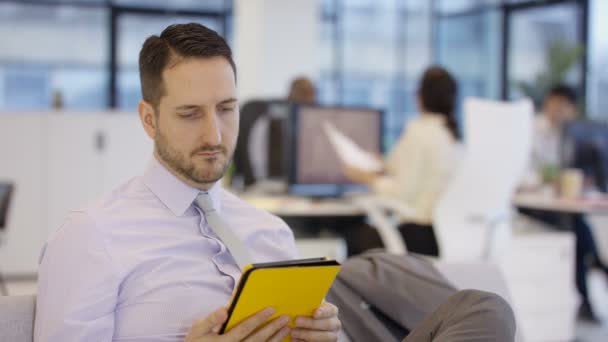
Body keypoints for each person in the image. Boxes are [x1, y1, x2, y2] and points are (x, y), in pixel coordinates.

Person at [35, 23, 515, 342]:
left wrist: (325, 333)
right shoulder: (92, 236)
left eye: (226, 109)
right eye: (189, 114)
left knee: (486, 310)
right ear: (148, 118)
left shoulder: (268, 229)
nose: (214, 135)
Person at [343, 66, 460, 257]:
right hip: (446, 236)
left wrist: (368, 179)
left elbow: (401, 193)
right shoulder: (452, 136)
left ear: (420, 97)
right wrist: (381, 165)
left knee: (356, 236)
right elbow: (404, 167)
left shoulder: (418, 131)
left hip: (420, 235)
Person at [519, 84, 608, 322]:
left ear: (573, 110)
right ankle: (596, 268)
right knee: (575, 229)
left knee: (577, 225)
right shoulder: (531, 130)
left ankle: (593, 274)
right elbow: (523, 172)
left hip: (555, 202)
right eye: (555, 104)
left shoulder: (568, 136)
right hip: (529, 202)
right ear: (547, 102)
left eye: (565, 107)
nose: (558, 111)